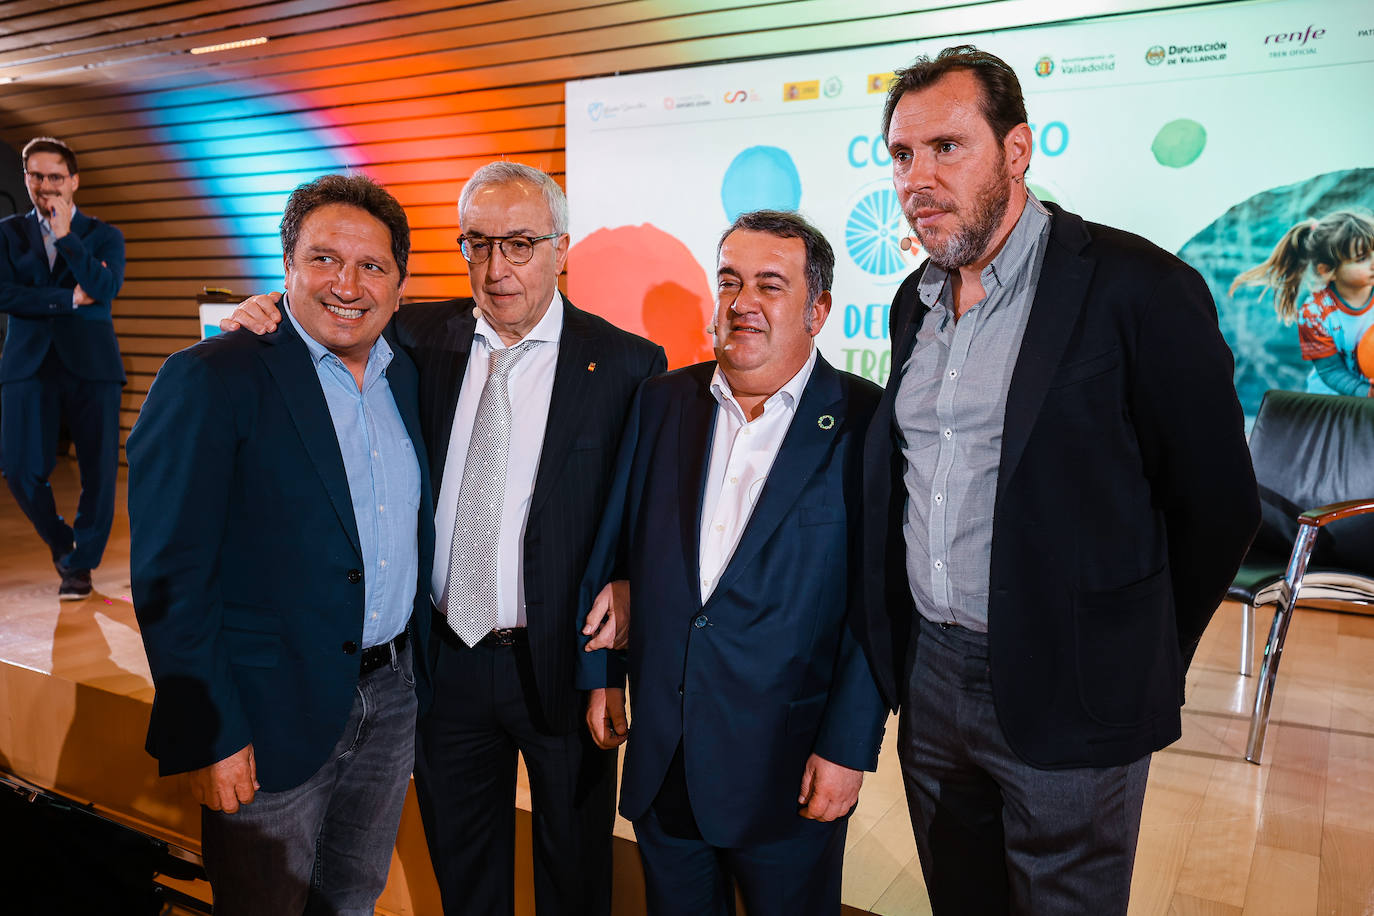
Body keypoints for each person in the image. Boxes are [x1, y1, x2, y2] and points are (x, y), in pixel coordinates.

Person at [854, 47, 1261, 914]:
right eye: (900, 155)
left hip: (1074, 683)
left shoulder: (1141, 288)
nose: (918, 177)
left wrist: (1130, 653)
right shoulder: (910, 305)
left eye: (946, 148)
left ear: (1017, 149)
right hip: (931, 677)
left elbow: (1219, 507)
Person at [222, 161, 666, 915]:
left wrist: (627, 598)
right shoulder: (417, 336)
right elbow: (331, 309)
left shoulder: (626, 364)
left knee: (574, 870)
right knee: (466, 872)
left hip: (561, 661)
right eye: (478, 244)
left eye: (520, 244)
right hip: (442, 664)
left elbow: (643, 511)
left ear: (563, 248)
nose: (497, 269)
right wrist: (260, 311)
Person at [128, 174, 434, 914]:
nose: (347, 285)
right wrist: (209, 732)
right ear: (286, 267)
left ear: (400, 284)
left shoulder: (411, 375)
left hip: (390, 700)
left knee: (351, 901)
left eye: (372, 267)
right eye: (323, 259)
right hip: (264, 715)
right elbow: (171, 577)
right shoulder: (212, 377)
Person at [577, 210, 887, 916]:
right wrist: (602, 673)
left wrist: (848, 748)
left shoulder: (867, 423)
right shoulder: (662, 403)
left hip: (789, 770)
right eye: (730, 281)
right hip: (666, 759)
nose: (742, 302)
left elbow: (877, 608)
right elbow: (617, 549)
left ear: (819, 309)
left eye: (770, 285)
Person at [0, 137, 124, 600]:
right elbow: (3, 294)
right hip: (27, 366)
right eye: (36, 176)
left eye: (55, 176)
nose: (46, 185)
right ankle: (61, 540)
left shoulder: (104, 235)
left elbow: (104, 287)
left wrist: (67, 237)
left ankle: (80, 567)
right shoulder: (7, 233)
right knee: (17, 468)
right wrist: (66, 298)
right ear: (26, 178)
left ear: (73, 180)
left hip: (92, 364)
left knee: (98, 470)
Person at [1230, 209, 1374, 396]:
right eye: (1362, 258)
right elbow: (1331, 371)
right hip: (1333, 404)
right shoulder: (1315, 313)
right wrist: (1365, 392)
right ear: (1327, 270)